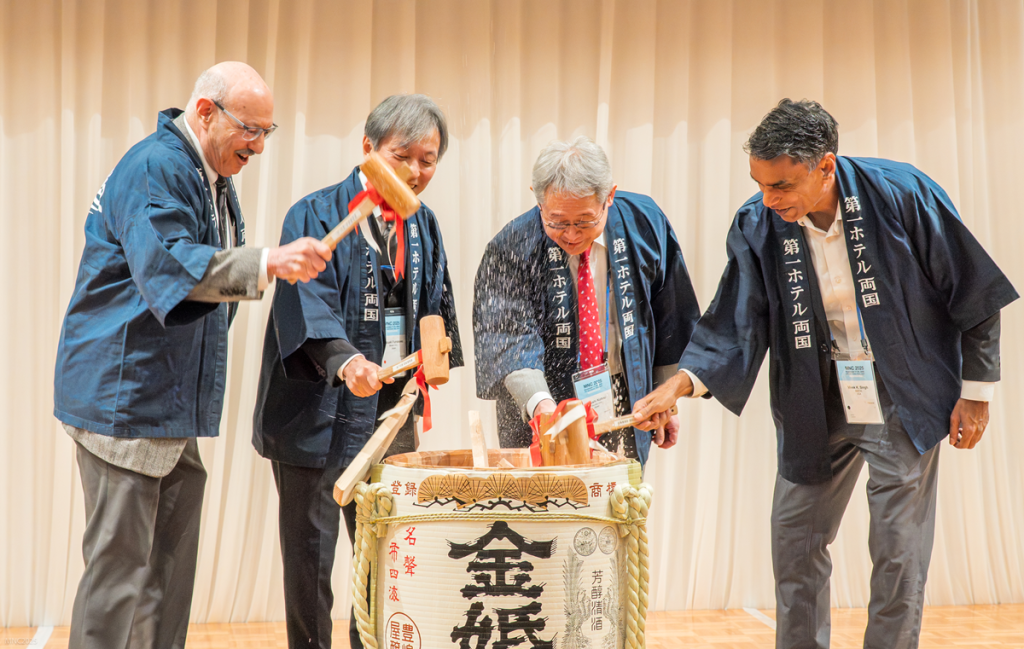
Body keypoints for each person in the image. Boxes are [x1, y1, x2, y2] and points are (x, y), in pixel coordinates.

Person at [633, 99, 1018, 648]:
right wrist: (678, 384)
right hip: (814, 392)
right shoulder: (759, 222)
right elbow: (737, 318)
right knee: (794, 538)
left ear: (826, 166)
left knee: (898, 548)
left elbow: (974, 290)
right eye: (759, 184)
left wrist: (976, 393)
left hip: (900, 390)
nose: (769, 199)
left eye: (782, 186)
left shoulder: (902, 194)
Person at [53, 62, 332, 649]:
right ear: (205, 112)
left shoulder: (208, 176)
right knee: (120, 571)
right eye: (249, 129)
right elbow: (169, 267)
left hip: (165, 401)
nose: (258, 146)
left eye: (266, 132)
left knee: (168, 568)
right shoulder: (156, 167)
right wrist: (268, 261)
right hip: (125, 399)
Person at [252, 94, 463, 649]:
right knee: (311, 559)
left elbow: (434, 307)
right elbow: (305, 303)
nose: (415, 171)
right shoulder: (316, 213)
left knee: (385, 556)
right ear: (367, 147)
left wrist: (433, 358)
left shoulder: (423, 224)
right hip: (317, 411)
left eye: (427, 160)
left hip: (389, 416)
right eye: (402, 156)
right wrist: (347, 362)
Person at [473, 136, 701, 465]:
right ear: (538, 200)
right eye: (557, 222)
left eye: (584, 221)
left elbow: (671, 316)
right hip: (540, 406)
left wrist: (665, 397)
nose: (571, 234)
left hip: (625, 396)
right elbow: (509, 338)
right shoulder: (512, 246)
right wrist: (544, 409)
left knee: (618, 493)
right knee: (546, 494)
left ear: (610, 196)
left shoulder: (645, 222)